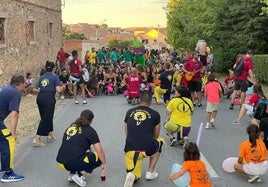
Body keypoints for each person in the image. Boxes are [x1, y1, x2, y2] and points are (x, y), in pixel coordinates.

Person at [123, 90, 163, 187]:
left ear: (139, 99)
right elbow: (156, 135)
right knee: (160, 141)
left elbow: (127, 131)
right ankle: (150, 172)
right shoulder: (155, 114)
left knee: (134, 173)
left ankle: (132, 175)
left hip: (129, 149)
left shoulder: (129, 112)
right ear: (151, 101)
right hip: (147, 149)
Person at [56, 110, 107, 187]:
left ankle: (72, 174)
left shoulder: (71, 126)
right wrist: (104, 163)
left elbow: (74, 142)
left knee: (76, 153)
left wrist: (89, 147)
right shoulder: (90, 131)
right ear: (91, 120)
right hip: (71, 163)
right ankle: (79, 175)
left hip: (61, 162)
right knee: (98, 157)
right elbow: (99, 151)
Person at [32, 61, 65, 147]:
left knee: (46, 116)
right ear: (54, 68)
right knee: (46, 118)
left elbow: (37, 89)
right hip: (49, 98)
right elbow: (58, 90)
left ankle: (50, 135)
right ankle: (37, 138)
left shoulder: (41, 77)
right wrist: (63, 87)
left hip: (40, 97)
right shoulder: (55, 77)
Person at [0, 75, 26, 183]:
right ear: (19, 84)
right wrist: (13, 133)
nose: (26, 85)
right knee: (9, 141)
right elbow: (14, 114)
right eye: (24, 83)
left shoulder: (6, 88)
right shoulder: (15, 93)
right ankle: (8, 173)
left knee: (2, 142)